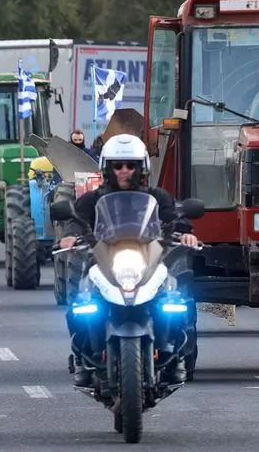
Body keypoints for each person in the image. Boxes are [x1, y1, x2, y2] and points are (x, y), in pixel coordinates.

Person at [58, 133, 199, 387]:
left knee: (174, 298)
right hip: (106, 259)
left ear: (141, 168)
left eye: (130, 165)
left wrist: (186, 233)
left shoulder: (158, 197)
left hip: (147, 259)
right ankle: (83, 356)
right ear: (107, 168)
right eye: (118, 166)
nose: (124, 171)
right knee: (83, 301)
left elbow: (176, 218)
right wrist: (70, 236)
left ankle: (176, 354)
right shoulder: (92, 199)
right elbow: (75, 220)